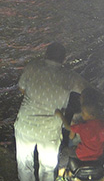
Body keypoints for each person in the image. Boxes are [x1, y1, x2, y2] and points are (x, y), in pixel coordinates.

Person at [15, 42, 89, 181]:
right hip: (49, 132)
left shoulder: (33, 67)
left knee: (24, 166)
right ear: (64, 59)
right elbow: (88, 90)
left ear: (46, 54)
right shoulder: (69, 76)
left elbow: (22, 89)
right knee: (48, 169)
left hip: (25, 126)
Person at [61, 90, 104, 176]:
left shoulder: (78, 119)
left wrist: (60, 115)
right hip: (98, 153)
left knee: (64, 150)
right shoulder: (103, 120)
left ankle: (61, 174)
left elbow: (71, 136)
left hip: (81, 153)